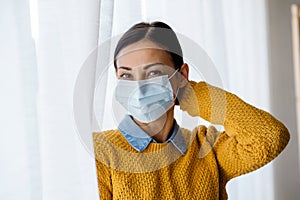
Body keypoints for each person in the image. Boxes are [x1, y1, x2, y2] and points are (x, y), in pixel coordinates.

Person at [93, 21, 290, 200]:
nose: (139, 87)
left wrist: (188, 93)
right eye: (126, 75)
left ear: (181, 75)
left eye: (153, 72)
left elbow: (269, 137)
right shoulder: (99, 151)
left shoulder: (207, 148)